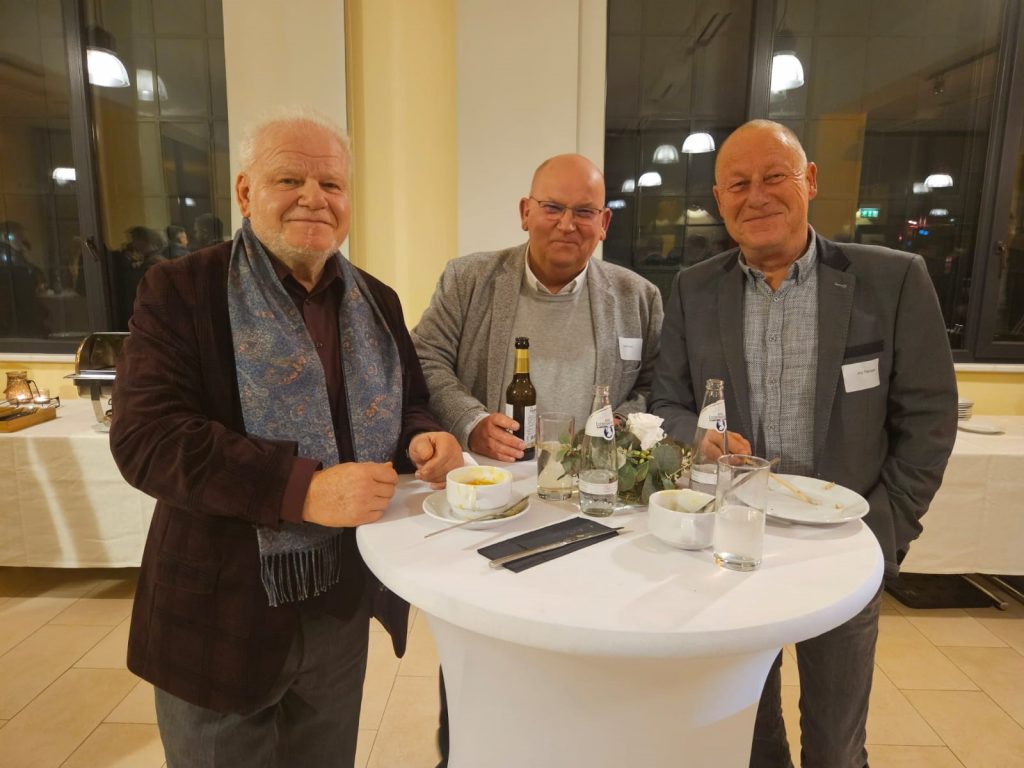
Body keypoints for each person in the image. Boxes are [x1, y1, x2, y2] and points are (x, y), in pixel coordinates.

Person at [109, 109, 463, 768]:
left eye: (331, 184)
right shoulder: (182, 290)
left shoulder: (377, 301)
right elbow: (146, 437)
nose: (313, 198)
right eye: (289, 180)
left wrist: (423, 439)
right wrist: (302, 490)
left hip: (340, 602)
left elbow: (410, 402)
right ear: (245, 193)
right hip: (219, 613)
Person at [649, 119, 957, 768]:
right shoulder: (694, 289)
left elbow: (929, 418)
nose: (757, 196)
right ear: (719, 199)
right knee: (747, 734)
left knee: (836, 745)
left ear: (810, 181)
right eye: (738, 184)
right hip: (732, 542)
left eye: (774, 177)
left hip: (843, 545)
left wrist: (884, 531)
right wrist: (695, 436)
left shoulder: (893, 280)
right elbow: (666, 403)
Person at [413, 153, 664, 462]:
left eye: (584, 212)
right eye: (552, 208)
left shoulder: (638, 297)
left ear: (603, 223)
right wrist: (470, 421)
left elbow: (654, 386)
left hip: (594, 477)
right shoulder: (467, 280)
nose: (567, 225)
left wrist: (621, 424)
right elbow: (425, 358)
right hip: (489, 473)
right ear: (525, 213)